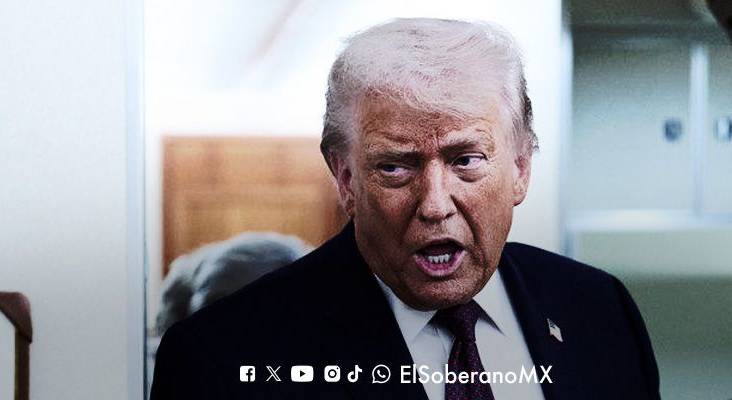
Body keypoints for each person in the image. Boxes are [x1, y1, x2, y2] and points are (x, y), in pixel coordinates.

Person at [151, 18, 660, 400]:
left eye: (466, 160)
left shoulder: (600, 310)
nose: (435, 205)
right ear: (346, 179)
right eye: (396, 167)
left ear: (521, 168)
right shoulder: (222, 359)